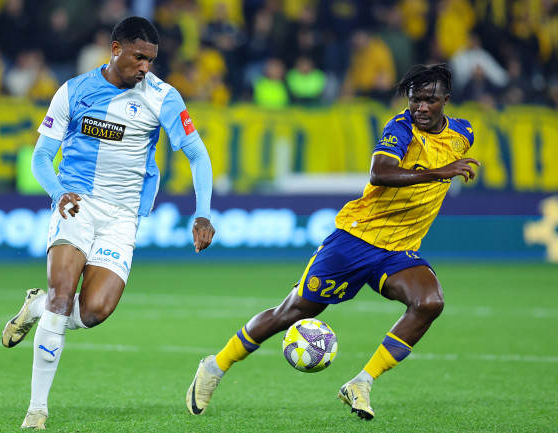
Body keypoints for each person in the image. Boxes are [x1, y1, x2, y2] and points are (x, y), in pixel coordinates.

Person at [186, 63, 479, 420]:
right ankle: (215, 366)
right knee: (292, 312)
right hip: (356, 239)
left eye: (429, 100)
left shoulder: (462, 134)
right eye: (414, 99)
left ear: (445, 100)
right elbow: (380, 173)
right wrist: (437, 173)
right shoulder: (400, 128)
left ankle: (361, 383)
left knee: (429, 302)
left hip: (399, 250)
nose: (420, 107)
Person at [1, 16, 215, 429]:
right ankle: (37, 410)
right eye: (138, 57)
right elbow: (41, 157)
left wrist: (202, 211)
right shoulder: (74, 91)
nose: (145, 67)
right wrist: (58, 192)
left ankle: (34, 307)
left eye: (151, 60)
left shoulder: (163, 97)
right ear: (116, 49)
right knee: (62, 297)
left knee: (94, 310)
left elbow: (197, 153)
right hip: (77, 203)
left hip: (123, 215)